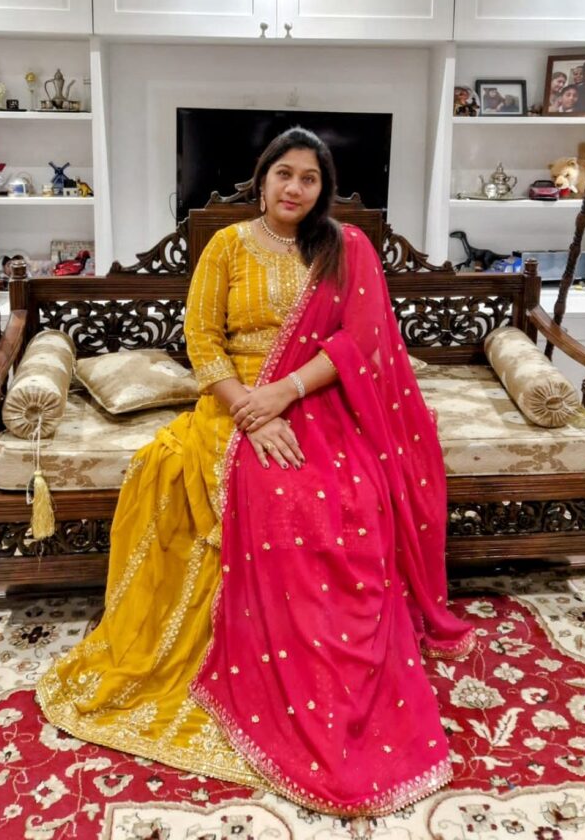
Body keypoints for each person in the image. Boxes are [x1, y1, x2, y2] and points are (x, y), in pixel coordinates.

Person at [37, 126, 473, 816]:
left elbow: (360, 340)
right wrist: (251, 409)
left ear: (323, 190)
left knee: (349, 496)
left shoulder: (344, 249)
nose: (295, 188)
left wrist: (286, 393)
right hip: (235, 402)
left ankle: (336, 665)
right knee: (274, 494)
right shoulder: (227, 246)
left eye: (309, 178)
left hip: (320, 398)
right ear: (262, 179)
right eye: (284, 174)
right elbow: (201, 337)